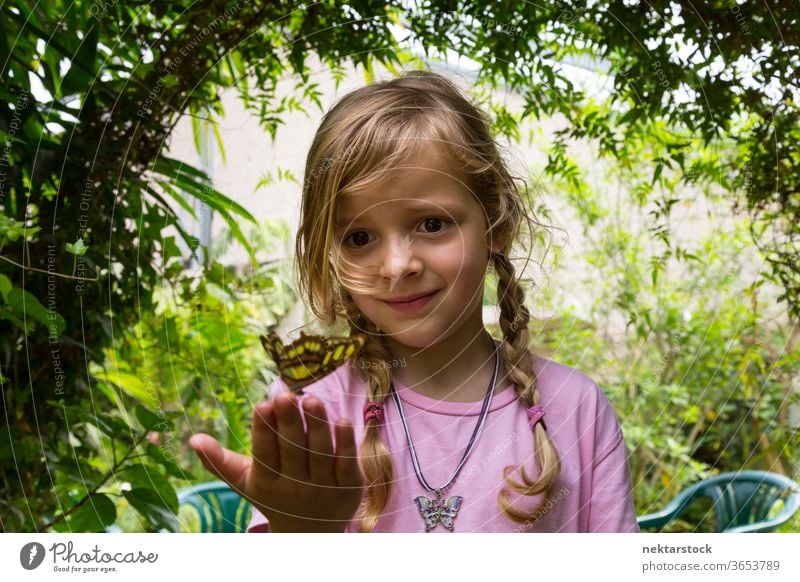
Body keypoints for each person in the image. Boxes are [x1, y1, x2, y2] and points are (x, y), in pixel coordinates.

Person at [188, 70, 639, 533]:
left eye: (431, 224)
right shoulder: (313, 407)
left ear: (495, 225)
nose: (397, 265)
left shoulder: (576, 407)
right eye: (360, 237)